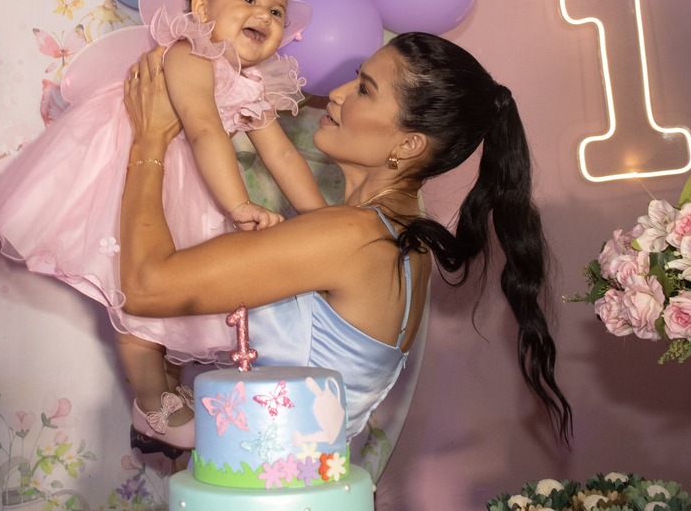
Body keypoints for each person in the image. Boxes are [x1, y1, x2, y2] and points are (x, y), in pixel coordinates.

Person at [117, 32, 573, 445]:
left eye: (364, 90)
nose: (336, 93)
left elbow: (143, 288)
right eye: (356, 77)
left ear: (408, 145)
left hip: (264, 492)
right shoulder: (401, 243)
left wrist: (150, 142)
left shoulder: (353, 236)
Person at [0, 0, 326, 452]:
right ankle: (152, 402)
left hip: (190, 182)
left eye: (276, 11)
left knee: (179, 297)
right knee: (138, 302)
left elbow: (282, 155)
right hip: (131, 173)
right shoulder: (190, 53)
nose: (264, 16)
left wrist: (323, 220)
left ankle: (169, 393)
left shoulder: (251, 82)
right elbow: (202, 128)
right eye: (248, 0)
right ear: (201, 9)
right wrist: (237, 206)